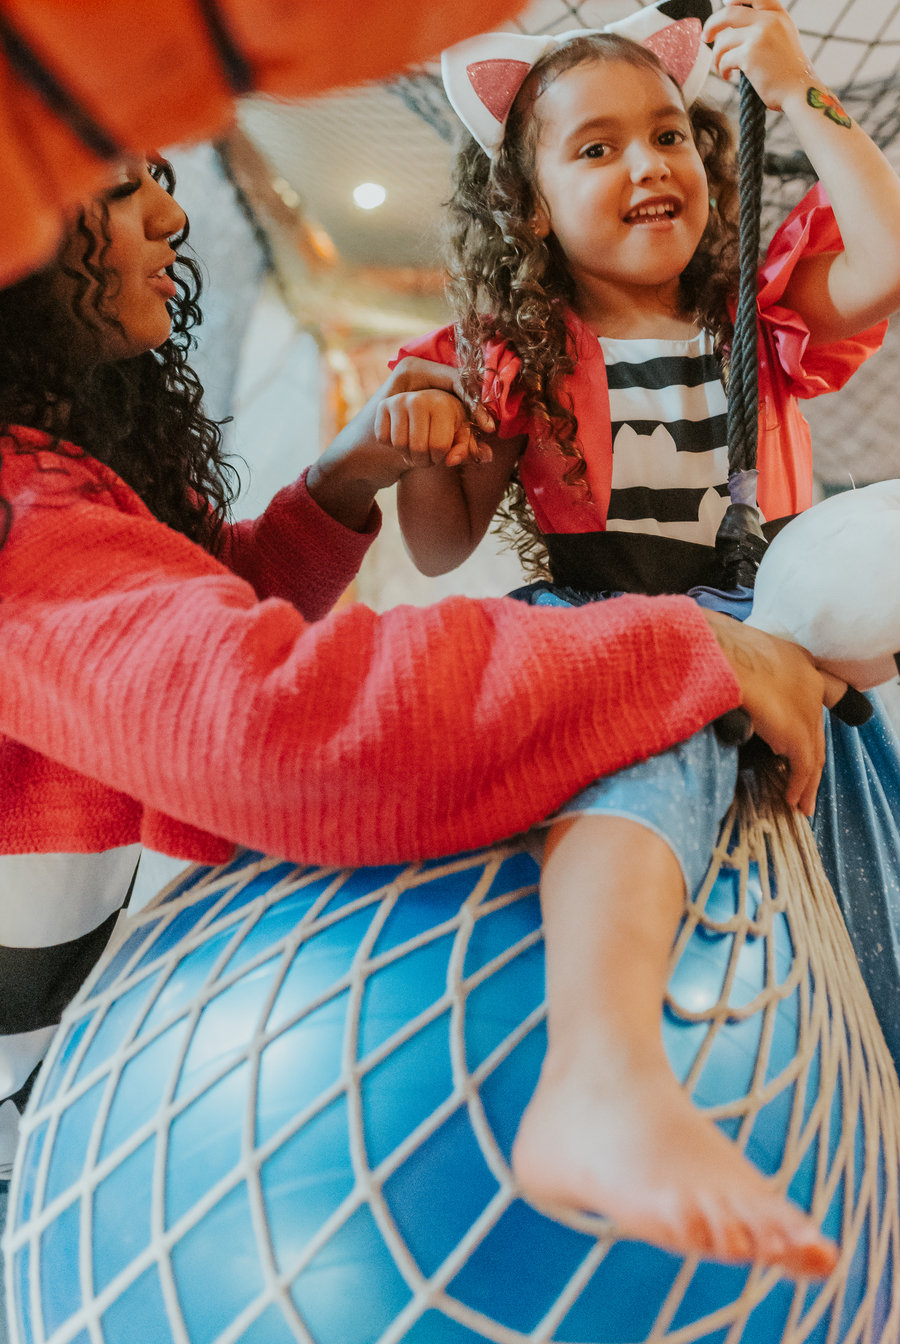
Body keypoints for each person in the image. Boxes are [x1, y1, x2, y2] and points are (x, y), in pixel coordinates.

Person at [0, 155, 833, 1270]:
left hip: (84, 1079)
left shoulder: (67, 471)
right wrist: (676, 644)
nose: (170, 211)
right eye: (112, 188)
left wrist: (335, 488)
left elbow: (183, 623)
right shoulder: (20, 524)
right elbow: (276, 729)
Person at [384, 0, 900, 1254]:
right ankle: (600, 1073)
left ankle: (885, 1272)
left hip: (785, 639)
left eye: (667, 132)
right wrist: (429, 433)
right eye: (594, 149)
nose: (647, 163)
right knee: (638, 800)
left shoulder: (753, 320)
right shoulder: (520, 352)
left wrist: (804, 89)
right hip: (609, 633)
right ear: (532, 208)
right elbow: (443, 540)